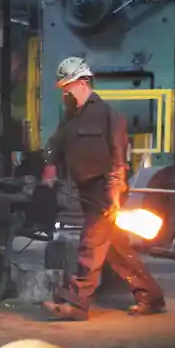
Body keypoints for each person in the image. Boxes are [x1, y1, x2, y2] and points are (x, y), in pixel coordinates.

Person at [39, 55, 165, 320]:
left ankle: (76, 303)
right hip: (87, 191)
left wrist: (114, 189)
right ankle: (151, 296)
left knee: (90, 245)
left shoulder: (107, 114)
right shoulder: (70, 118)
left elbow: (119, 155)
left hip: (105, 190)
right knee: (116, 251)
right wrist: (50, 166)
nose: (65, 93)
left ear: (83, 82)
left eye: (68, 87)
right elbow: (54, 144)